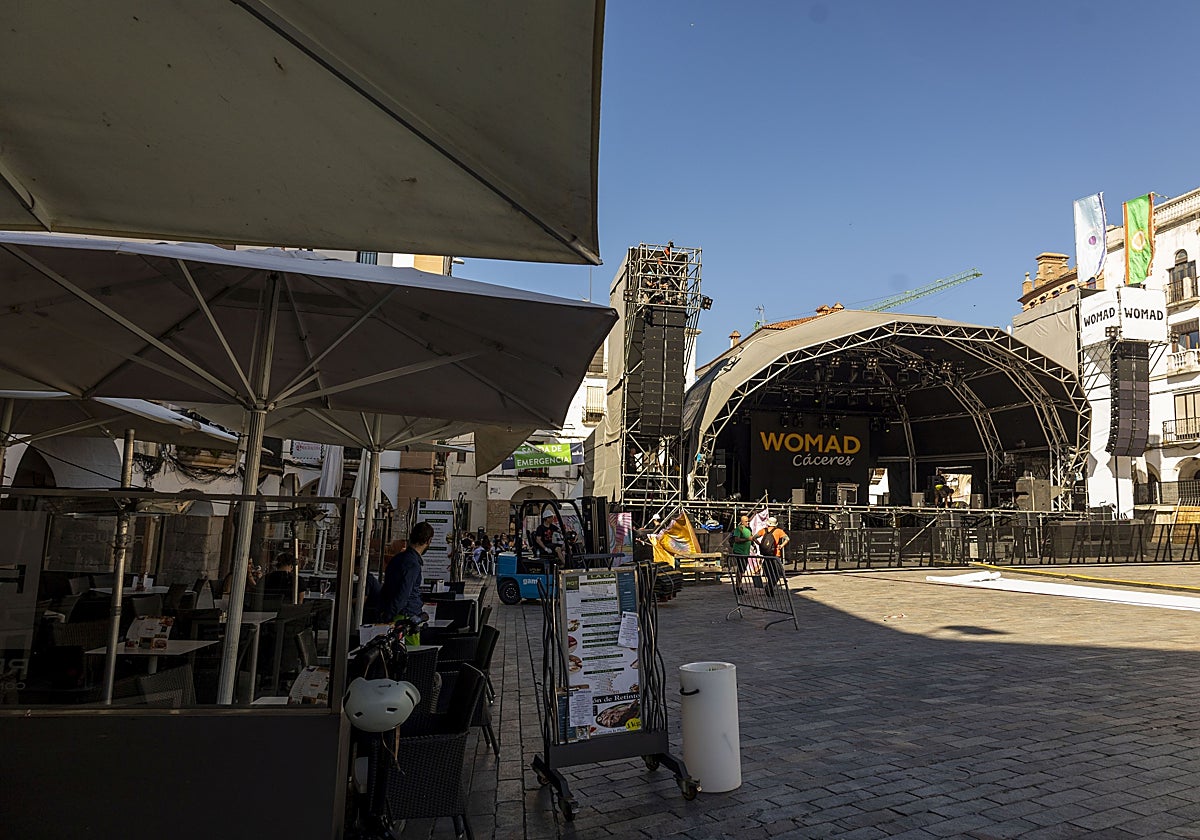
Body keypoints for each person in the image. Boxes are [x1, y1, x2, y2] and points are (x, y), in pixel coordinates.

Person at [379, 521, 434, 645]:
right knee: (411, 658)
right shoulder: (413, 564)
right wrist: (389, 616)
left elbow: (387, 587)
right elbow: (403, 594)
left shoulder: (397, 559)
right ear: (429, 541)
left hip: (393, 614)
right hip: (405, 619)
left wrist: (385, 613)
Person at [753, 517, 790, 596]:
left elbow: (754, 537)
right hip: (775, 555)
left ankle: (769, 588)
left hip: (766, 555)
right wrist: (781, 546)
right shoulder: (779, 531)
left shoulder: (763, 530)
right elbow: (787, 538)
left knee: (769, 572)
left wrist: (760, 544)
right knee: (777, 573)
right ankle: (770, 587)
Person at [729, 514, 754, 593]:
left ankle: (739, 585)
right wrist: (747, 539)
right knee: (740, 569)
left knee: (742, 569)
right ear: (742, 522)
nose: (748, 523)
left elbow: (751, 538)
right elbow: (737, 539)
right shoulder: (739, 529)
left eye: (748, 521)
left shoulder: (749, 529)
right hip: (739, 551)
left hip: (745, 552)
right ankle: (737, 587)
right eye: (746, 521)